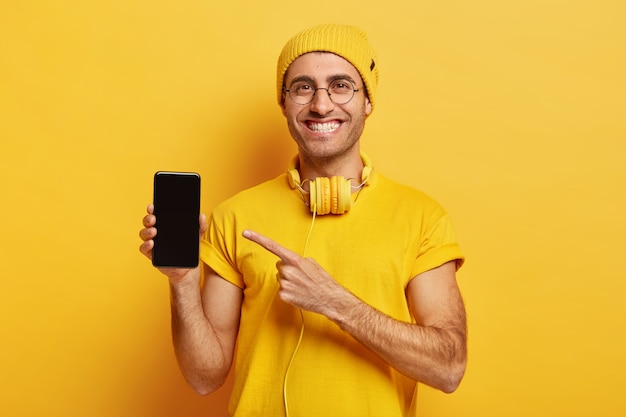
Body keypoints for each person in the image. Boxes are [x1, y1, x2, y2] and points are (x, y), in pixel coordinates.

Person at [139, 24, 467, 417]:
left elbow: (449, 367)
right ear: (284, 103)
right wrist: (183, 284)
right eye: (303, 87)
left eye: (341, 85)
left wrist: (335, 302)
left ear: (367, 101)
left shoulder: (422, 217)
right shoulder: (233, 217)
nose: (321, 105)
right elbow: (203, 377)